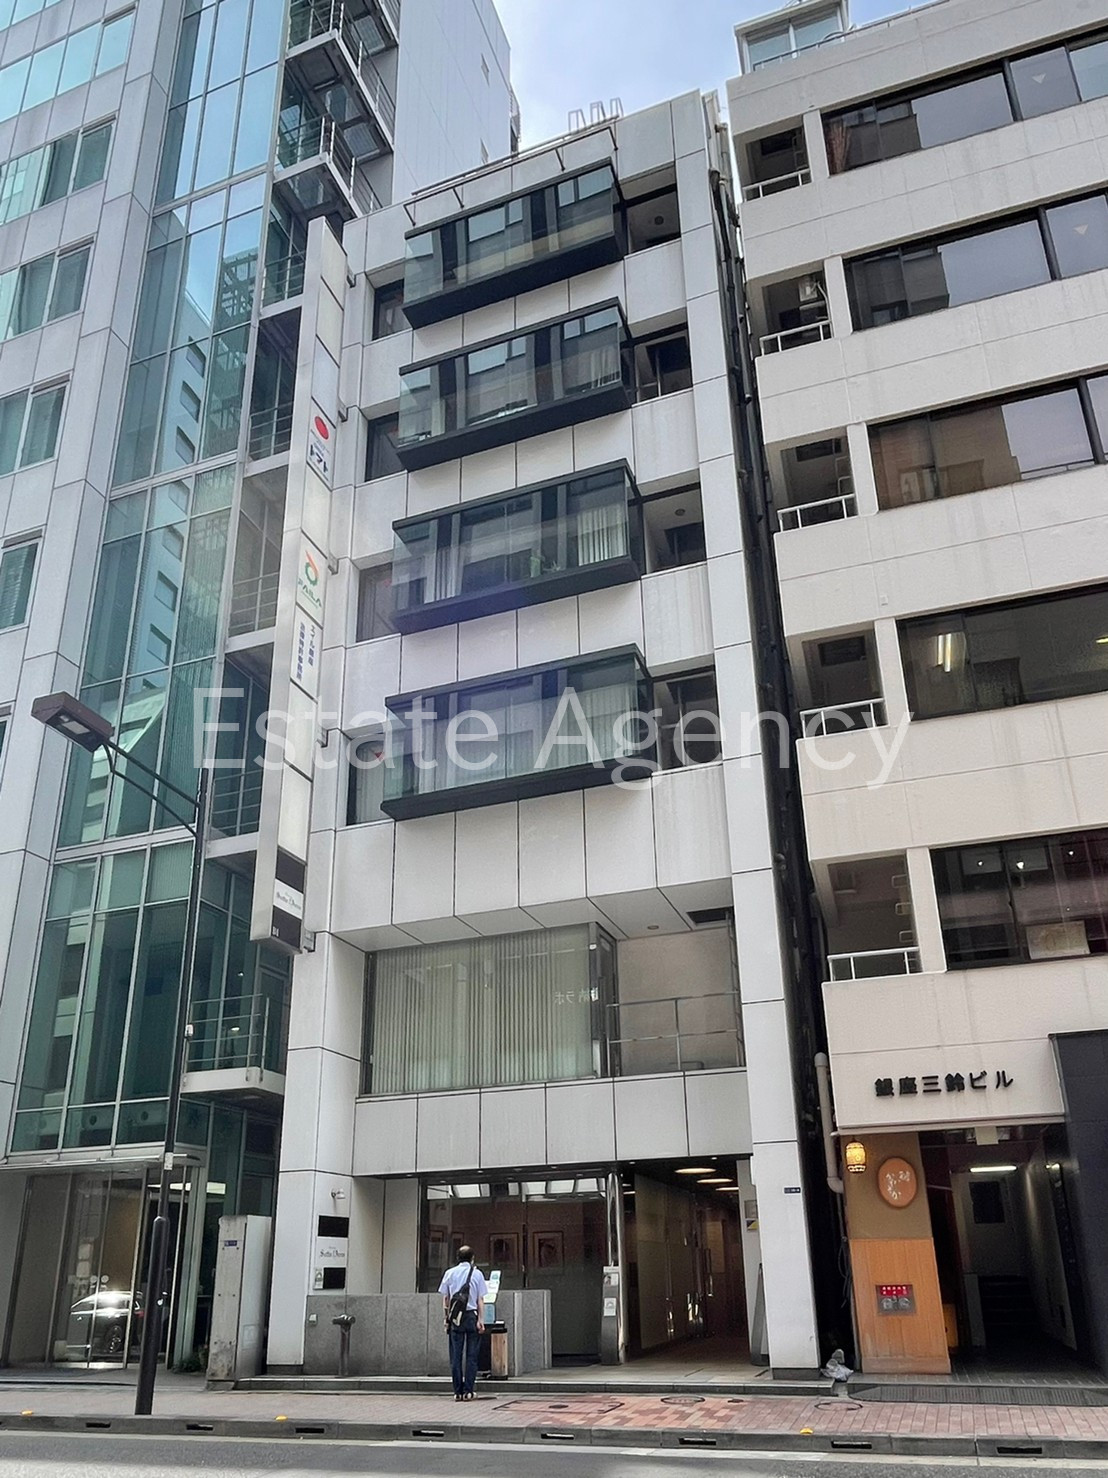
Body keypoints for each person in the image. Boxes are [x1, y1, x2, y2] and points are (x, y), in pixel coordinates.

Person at [438, 1245, 487, 1401]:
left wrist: (446, 1319)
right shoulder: (477, 1274)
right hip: (471, 1316)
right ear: (472, 1258)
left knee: (456, 1356)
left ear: (457, 1258)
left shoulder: (449, 1273)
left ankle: (457, 1392)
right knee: (472, 1356)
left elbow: (446, 1299)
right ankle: (468, 1391)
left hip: (455, 1318)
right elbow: (480, 1300)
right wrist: (481, 1320)